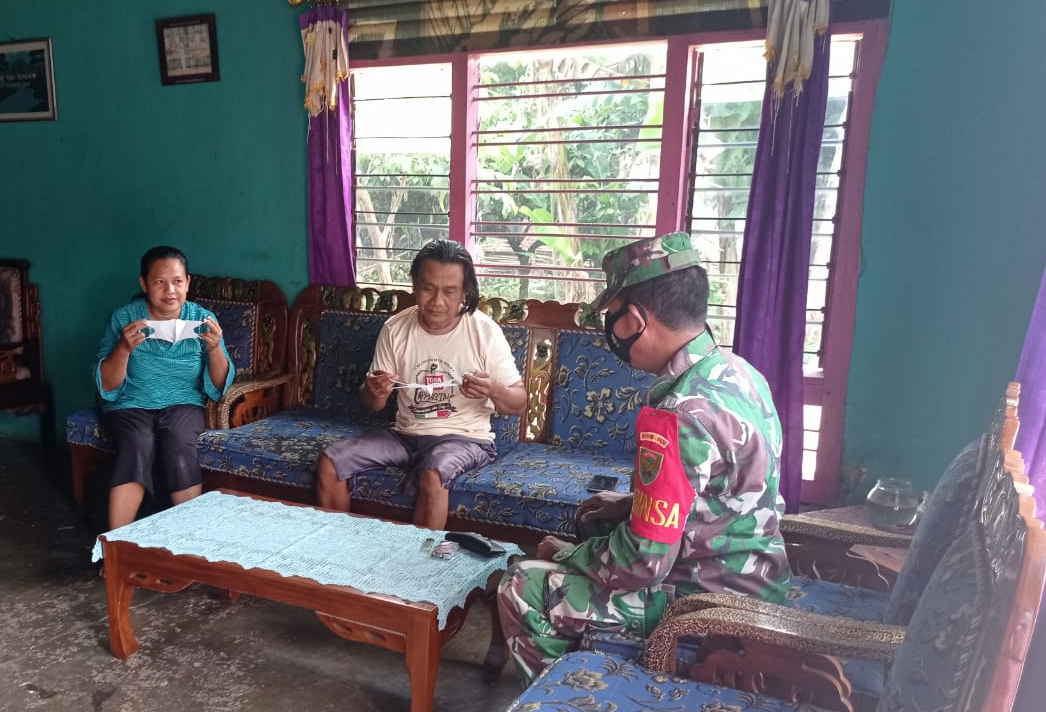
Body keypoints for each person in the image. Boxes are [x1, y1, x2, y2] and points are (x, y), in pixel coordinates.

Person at [496, 231, 791, 682]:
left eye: (612, 318)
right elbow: (720, 494)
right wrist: (629, 505)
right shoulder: (740, 373)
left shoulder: (677, 415)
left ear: (634, 320)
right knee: (599, 518)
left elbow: (642, 562)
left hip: (705, 607)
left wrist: (570, 555)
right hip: (759, 583)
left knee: (522, 585)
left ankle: (565, 700)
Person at [317, 239, 528, 529]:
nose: (437, 301)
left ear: (464, 292)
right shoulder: (395, 328)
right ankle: (334, 548)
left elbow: (519, 403)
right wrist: (374, 391)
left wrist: (493, 389)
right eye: (428, 288)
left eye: (449, 291)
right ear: (414, 285)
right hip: (405, 436)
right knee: (331, 462)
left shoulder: (484, 332)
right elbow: (372, 404)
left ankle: (417, 560)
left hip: (465, 439)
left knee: (433, 474)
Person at [95, 245, 235, 529]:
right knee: (138, 442)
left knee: (179, 441)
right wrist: (123, 348)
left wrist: (214, 348)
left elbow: (220, 386)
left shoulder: (202, 319)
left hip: (183, 403)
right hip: (130, 404)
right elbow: (107, 385)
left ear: (188, 283)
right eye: (159, 282)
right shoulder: (124, 318)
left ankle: (190, 538)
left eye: (177, 281)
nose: (170, 290)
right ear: (144, 283)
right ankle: (115, 543)